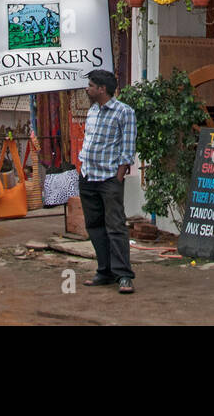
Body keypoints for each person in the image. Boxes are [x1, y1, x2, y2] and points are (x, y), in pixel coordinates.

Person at [78, 69, 138, 294]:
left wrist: (119, 176)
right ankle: (105, 271)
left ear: (102, 89)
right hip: (88, 176)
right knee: (94, 225)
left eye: (91, 85)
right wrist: (82, 169)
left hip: (109, 178)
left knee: (115, 227)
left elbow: (128, 147)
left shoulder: (124, 112)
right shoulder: (93, 111)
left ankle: (123, 275)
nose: (87, 88)